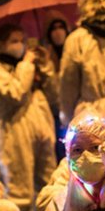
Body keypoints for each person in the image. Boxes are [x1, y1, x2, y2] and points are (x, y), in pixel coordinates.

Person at [0, 23, 58, 211]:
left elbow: (54, 95)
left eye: (23, 40)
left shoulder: (31, 67)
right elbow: (14, 94)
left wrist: (45, 65)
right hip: (14, 133)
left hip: (42, 131)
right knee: (20, 196)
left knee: (49, 189)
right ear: (2, 44)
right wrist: (26, 66)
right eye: (14, 40)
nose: (21, 45)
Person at [42, 11, 72, 162]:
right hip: (55, 116)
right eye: (53, 28)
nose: (58, 32)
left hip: (75, 111)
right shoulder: (45, 59)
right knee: (61, 156)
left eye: (61, 27)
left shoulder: (74, 53)